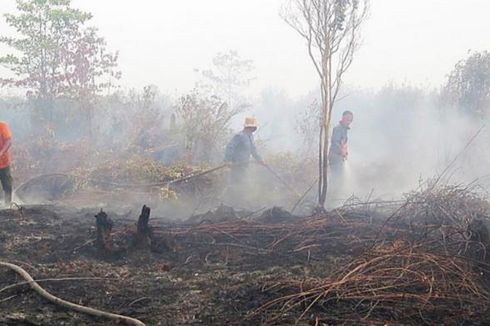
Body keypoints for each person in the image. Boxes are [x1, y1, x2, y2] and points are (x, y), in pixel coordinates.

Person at [224, 117, 264, 203]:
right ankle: (228, 201)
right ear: (247, 127)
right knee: (235, 183)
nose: (253, 129)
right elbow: (230, 147)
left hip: (244, 165)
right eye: (251, 127)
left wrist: (260, 160)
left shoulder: (250, 137)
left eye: (254, 127)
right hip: (236, 165)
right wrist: (228, 160)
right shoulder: (239, 136)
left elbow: (253, 150)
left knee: (242, 183)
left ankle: (238, 201)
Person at [328, 111, 353, 200]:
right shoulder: (338, 128)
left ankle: (336, 196)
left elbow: (343, 143)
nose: (348, 121)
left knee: (339, 177)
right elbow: (335, 142)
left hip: (339, 156)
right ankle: (331, 196)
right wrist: (341, 151)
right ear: (342, 118)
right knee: (336, 177)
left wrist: (345, 153)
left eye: (350, 120)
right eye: (347, 119)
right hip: (335, 156)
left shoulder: (344, 129)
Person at [0, 121, 13, 206]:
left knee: (7, 184)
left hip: (3, 162)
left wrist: (1, 152)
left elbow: (8, 141)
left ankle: (8, 205)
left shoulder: (2, 126)